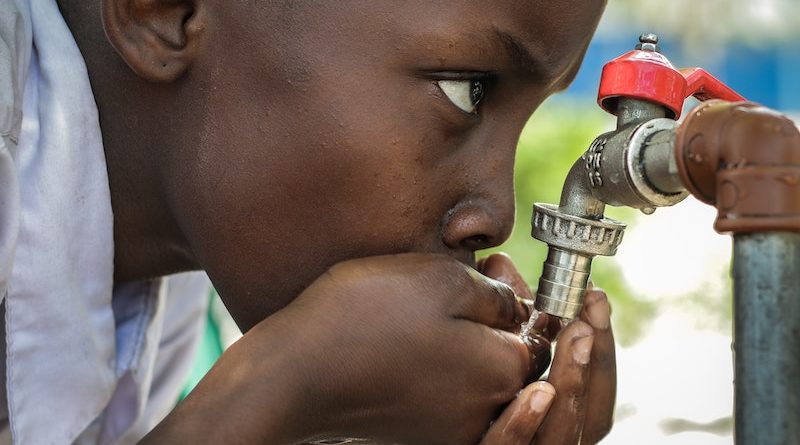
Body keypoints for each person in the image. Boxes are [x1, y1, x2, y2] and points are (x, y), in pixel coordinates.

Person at [0, 0, 615, 443]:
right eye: (466, 90)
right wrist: (283, 388)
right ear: (165, 12)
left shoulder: (164, 290)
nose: (495, 216)